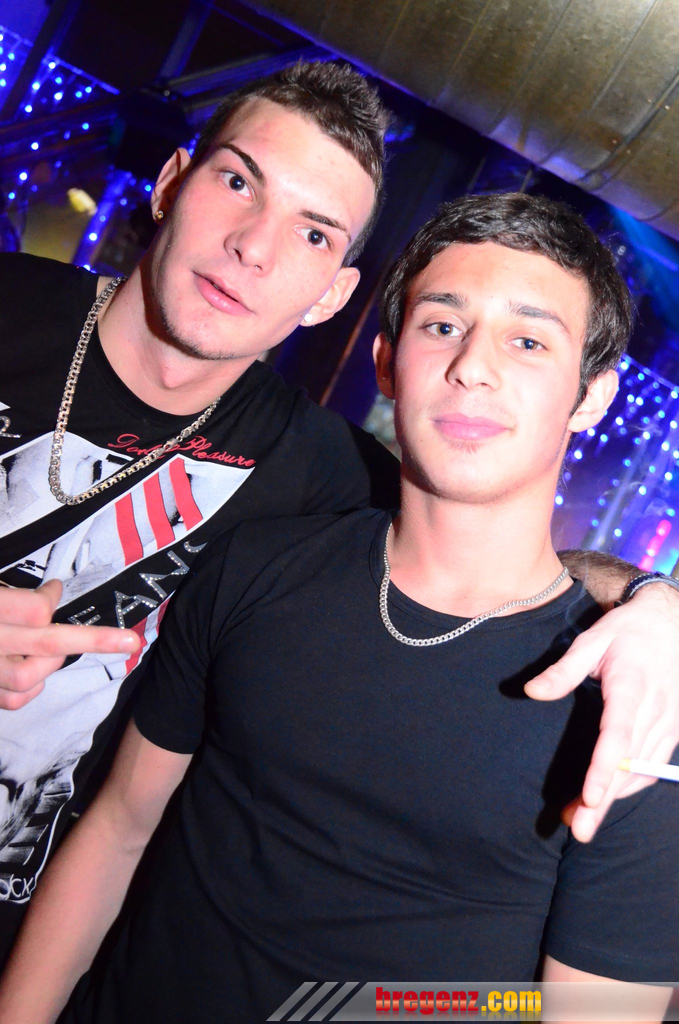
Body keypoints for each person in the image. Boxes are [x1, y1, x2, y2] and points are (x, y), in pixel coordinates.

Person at [0, 56, 676, 964]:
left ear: (333, 296)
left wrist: (652, 605)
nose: (254, 245)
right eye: (237, 182)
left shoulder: (321, 475)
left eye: (314, 233)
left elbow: (480, 548)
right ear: (169, 182)